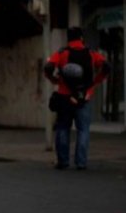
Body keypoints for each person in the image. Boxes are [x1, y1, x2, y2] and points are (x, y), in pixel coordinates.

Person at [44, 27, 110, 170]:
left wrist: (53, 80)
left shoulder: (62, 53)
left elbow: (48, 67)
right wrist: (96, 81)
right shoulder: (91, 53)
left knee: (62, 128)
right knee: (83, 130)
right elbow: (106, 66)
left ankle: (63, 161)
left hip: (64, 97)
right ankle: (81, 162)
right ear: (81, 38)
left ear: (68, 39)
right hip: (84, 97)